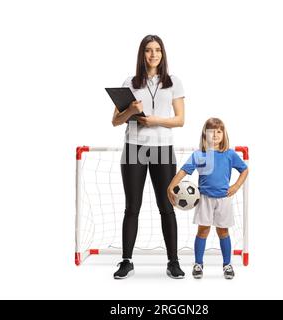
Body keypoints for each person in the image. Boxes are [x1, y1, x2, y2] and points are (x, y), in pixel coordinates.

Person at [111, 35, 186, 279]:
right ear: (142, 54)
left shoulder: (173, 82)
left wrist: (154, 120)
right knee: (132, 207)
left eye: (157, 50)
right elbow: (115, 121)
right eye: (148, 50)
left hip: (162, 148)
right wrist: (131, 110)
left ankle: (173, 261)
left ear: (163, 54)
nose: (153, 55)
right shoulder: (129, 82)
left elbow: (180, 120)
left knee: (167, 206)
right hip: (134, 148)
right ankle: (126, 261)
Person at [167, 118, 249, 279]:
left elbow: (244, 170)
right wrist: (171, 186)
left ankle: (227, 264)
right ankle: (198, 263)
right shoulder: (199, 155)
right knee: (203, 230)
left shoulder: (230, 154)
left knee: (223, 231)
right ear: (205, 134)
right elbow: (184, 171)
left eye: (219, 131)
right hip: (204, 198)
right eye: (212, 131)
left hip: (223, 199)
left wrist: (236, 186)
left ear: (223, 134)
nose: (215, 134)